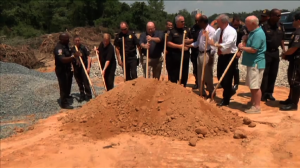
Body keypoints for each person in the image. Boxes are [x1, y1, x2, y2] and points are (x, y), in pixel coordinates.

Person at [207, 14, 238, 106]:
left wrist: (216, 45)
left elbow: (228, 43)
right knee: (220, 76)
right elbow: (213, 40)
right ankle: (230, 90)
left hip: (230, 56)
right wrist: (208, 38)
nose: (217, 23)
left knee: (227, 78)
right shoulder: (219, 31)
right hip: (221, 56)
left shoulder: (231, 31)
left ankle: (226, 99)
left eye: (218, 22)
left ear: (224, 22)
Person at [238, 15, 266, 114]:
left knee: (255, 86)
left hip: (256, 63)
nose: (245, 26)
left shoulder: (258, 34)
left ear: (253, 24)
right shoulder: (253, 32)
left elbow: (254, 49)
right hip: (252, 62)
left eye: (247, 24)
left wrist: (242, 48)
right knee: (252, 85)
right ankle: (252, 102)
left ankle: (257, 106)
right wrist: (246, 38)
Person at [260, 9, 286, 101]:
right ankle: (263, 93)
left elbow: (282, 38)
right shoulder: (264, 26)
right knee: (265, 73)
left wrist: (284, 49)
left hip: (275, 52)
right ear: (272, 16)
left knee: (273, 73)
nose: (280, 17)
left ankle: (269, 93)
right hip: (266, 52)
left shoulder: (280, 26)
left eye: (280, 15)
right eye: (278, 16)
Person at [189, 15, 216, 98]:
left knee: (208, 75)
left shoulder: (211, 30)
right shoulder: (201, 31)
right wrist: (189, 45)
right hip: (200, 54)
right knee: (200, 74)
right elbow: (198, 43)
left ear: (203, 22)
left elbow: (213, 44)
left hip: (207, 54)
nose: (197, 23)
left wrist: (211, 56)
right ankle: (202, 91)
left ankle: (211, 92)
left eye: (199, 22)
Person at [54, 33, 80, 109]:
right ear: (61, 40)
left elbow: (69, 53)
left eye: (68, 39)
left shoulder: (66, 45)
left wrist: (75, 57)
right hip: (61, 69)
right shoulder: (58, 48)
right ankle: (64, 103)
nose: (68, 40)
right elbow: (62, 59)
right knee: (63, 86)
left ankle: (67, 95)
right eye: (66, 39)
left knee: (68, 83)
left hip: (67, 69)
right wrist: (73, 57)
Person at [280, 12, 300, 111]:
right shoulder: (296, 31)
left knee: (295, 81)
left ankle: (293, 104)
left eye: (294, 20)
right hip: (295, 59)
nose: (293, 22)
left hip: (297, 60)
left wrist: (285, 53)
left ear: (298, 21)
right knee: (292, 80)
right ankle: (290, 99)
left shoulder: (299, 33)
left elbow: (294, 47)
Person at [167, 15, 193, 87]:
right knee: (174, 76)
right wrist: (179, 46)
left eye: (184, 21)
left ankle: (183, 88)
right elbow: (168, 43)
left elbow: (192, 39)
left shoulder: (186, 30)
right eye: (182, 21)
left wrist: (188, 41)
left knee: (184, 75)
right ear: (177, 22)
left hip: (185, 57)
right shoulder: (172, 31)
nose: (184, 23)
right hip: (175, 58)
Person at [71, 35, 92, 102]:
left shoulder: (83, 47)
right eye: (76, 40)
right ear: (74, 41)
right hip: (76, 68)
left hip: (84, 67)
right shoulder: (72, 49)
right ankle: (82, 95)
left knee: (85, 81)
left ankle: (88, 95)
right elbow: (71, 58)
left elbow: (89, 57)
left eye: (78, 40)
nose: (77, 42)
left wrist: (88, 67)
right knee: (79, 82)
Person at [231, 16, 249, 91]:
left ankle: (236, 83)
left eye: (237, 25)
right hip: (229, 49)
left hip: (237, 49)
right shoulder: (229, 27)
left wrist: (240, 51)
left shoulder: (243, 29)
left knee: (235, 67)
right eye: (235, 25)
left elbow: (245, 40)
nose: (236, 26)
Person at [190, 13, 202, 89]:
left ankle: (205, 83)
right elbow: (191, 38)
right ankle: (197, 82)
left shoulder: (204, 27)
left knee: (203, 68)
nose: (197, 22)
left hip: (201, 51)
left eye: (199, 20)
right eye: (196, 20)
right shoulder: (193, 28)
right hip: (194, 51)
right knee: (195, 68)